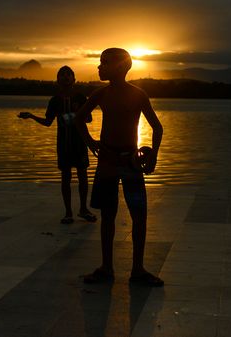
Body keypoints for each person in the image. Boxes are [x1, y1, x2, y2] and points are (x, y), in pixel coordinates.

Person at [74, 47, 164, 286]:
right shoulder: (100, 94)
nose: (99, 67)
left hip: (131, 164)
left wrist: (153, 156)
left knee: (139, 216)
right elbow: (78, 119)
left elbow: (157, 127)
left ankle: (137, 269)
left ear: (121, 67)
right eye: (100, 63)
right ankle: (106, 268)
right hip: (107, 164)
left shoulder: (138, 94)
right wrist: (90, 142)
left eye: (104, 63)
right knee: (108, 216)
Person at [18, 65, 97, 224]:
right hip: (63, 144)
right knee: (65, 176)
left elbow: (88, 119)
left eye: (69, 74)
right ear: (57, 80)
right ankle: (68, 212)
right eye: (62, 74)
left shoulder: (81, 98)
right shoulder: (54, 100)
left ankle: (83, 209)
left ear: (74, 79)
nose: (66, 77)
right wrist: (32, 116)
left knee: (83, 175)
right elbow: (48, 122)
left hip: (80, 141)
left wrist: (73, 116)